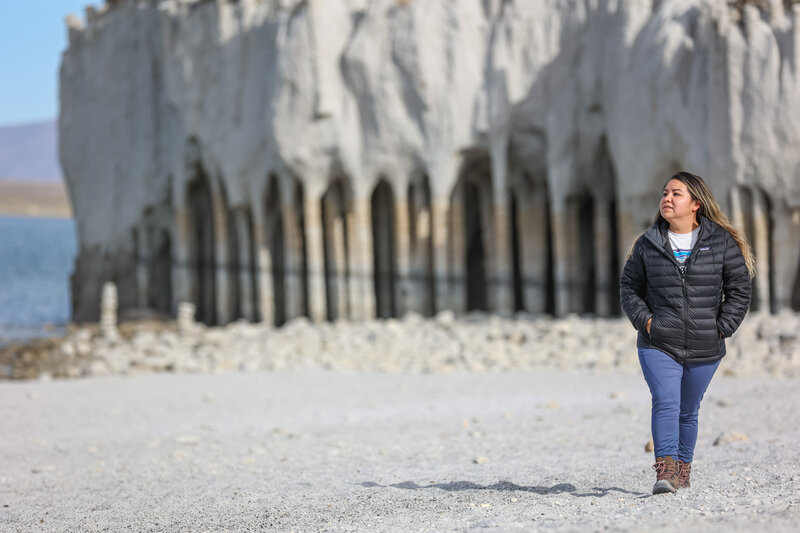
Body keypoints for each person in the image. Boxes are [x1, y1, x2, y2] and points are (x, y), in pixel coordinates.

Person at [619, 171, 753, 494]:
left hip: (705, 344)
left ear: (695, 204)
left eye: (675, 194)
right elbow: (629, 288)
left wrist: (721, 328)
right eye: (664, 193)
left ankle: (683, 469)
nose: (667, 198)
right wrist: (647, 322)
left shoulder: (721, 242)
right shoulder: (647, 244)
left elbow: (740, 289)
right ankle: (664, 471)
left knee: (688, 410)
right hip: (657, 342)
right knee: (665, 400)